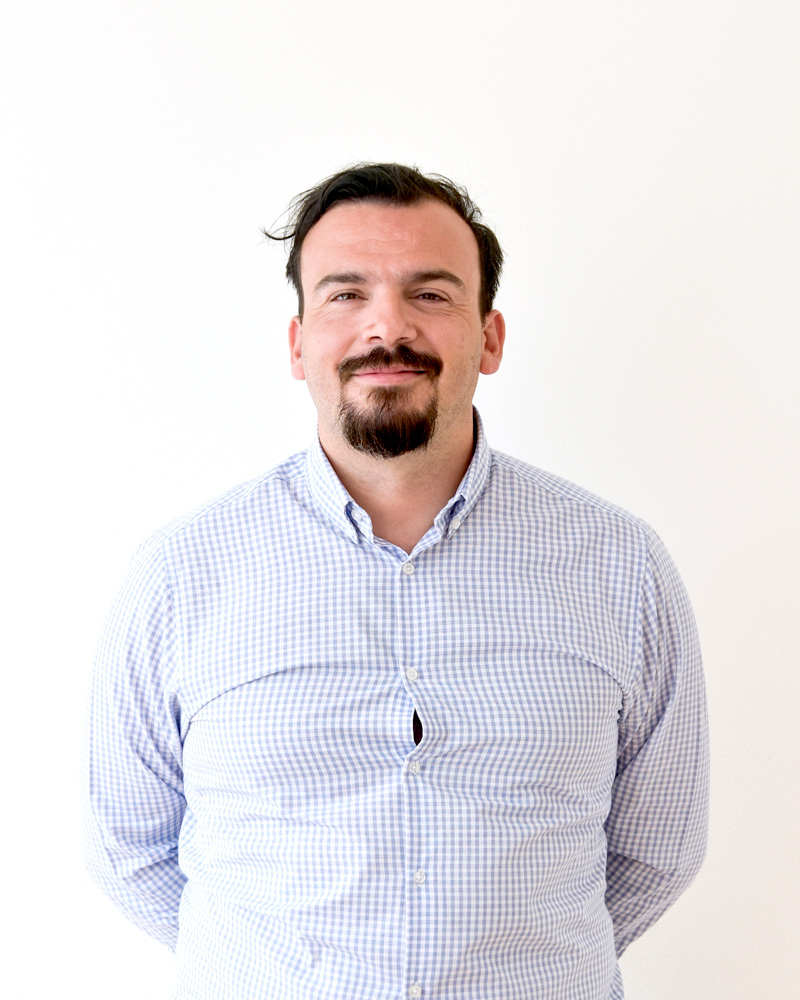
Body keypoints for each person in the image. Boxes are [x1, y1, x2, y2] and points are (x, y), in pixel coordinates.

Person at [83, 163, 709, 1000]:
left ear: (490, 337)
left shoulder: (621, 567)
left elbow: (657, 850)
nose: (388, 326)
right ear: (298, 342)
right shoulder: (180, 574)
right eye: (346, 294)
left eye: (430, 294)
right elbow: (127, 850)